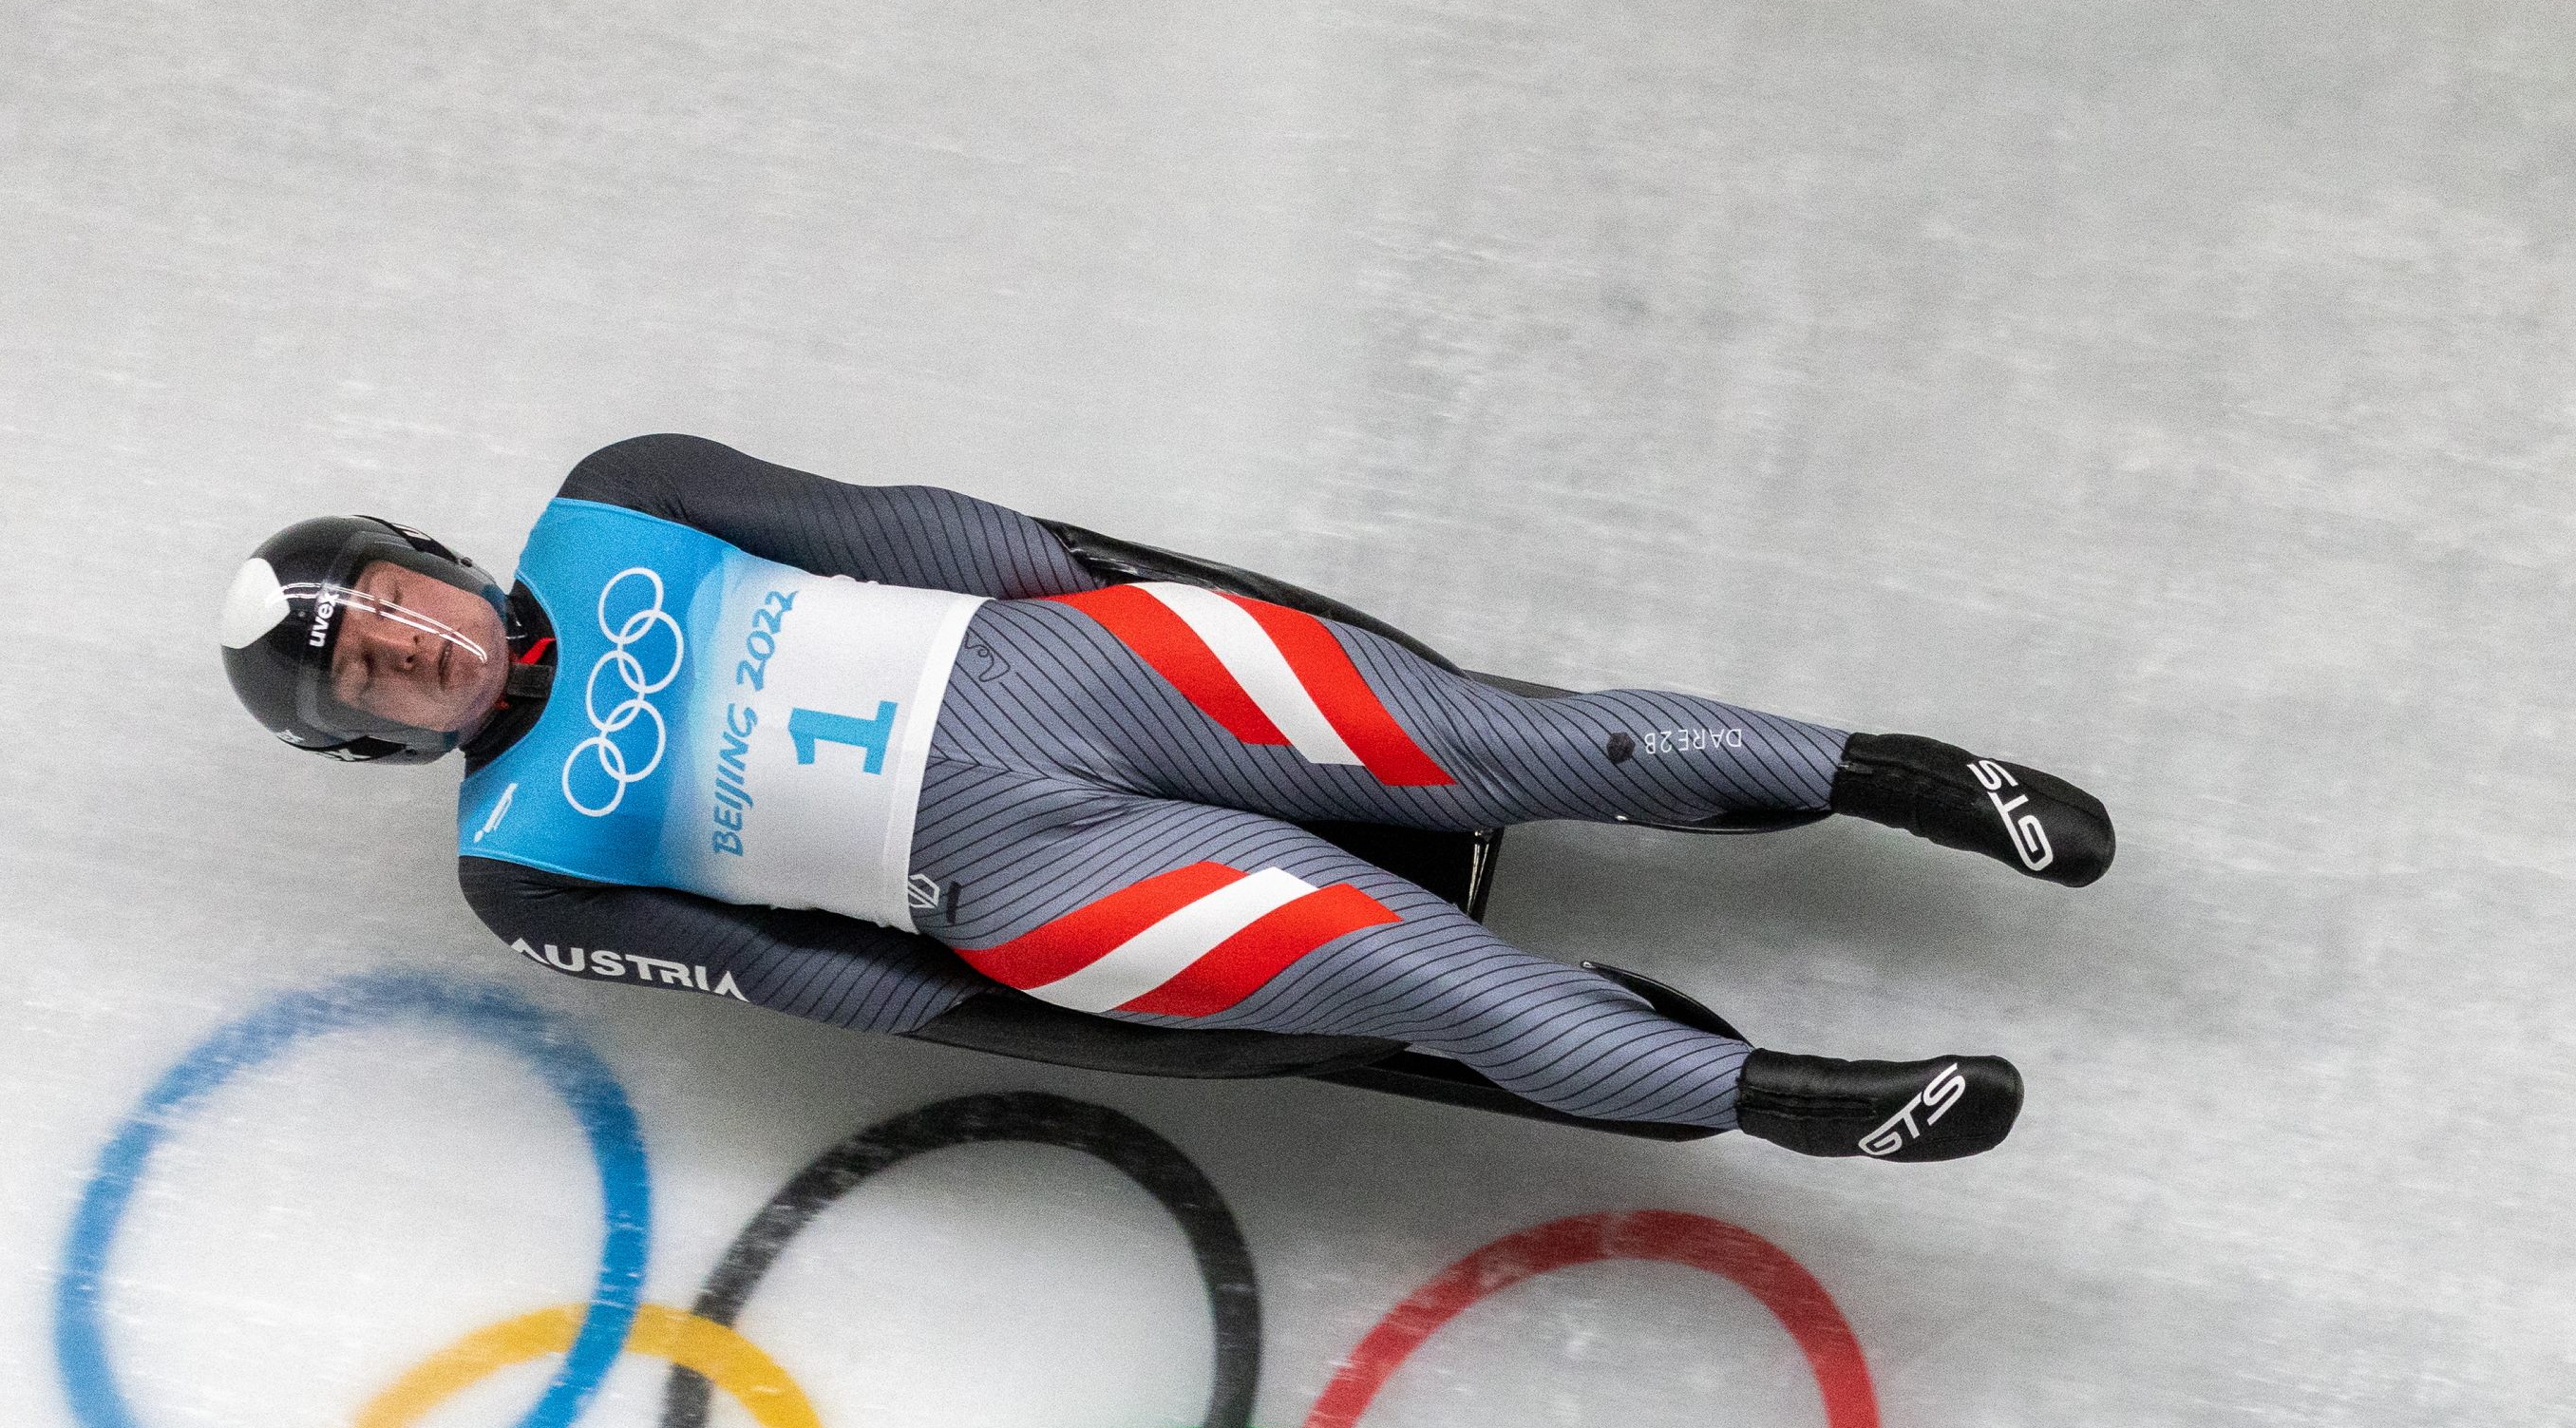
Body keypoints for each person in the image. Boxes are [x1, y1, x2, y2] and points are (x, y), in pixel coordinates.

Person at [219, 435, 2113, 1160]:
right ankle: (1788, 1099)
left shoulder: (618, 494)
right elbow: (776, 971)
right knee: (1410, 975)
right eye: (375, 674)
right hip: (1010, 877)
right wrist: (976, 995)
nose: (416, 650)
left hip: (1072, 665)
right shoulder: (515, 866)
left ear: (434, 561)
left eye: (397, 610)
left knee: (1513, 742)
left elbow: (878, 525)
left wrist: (1084, 579)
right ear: (373, 734)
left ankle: (1897, 777)